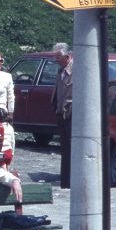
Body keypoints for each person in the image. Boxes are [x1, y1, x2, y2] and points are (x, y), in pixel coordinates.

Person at [50, 42, 73, 189]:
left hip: (71, 114)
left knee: (71, 148)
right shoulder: (61, 71)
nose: (56, 61)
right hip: (61, 113)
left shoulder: (77, 70)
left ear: (67, 56)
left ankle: (71, 180)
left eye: (59, 58)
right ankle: (65, 181)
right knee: (64, 149)